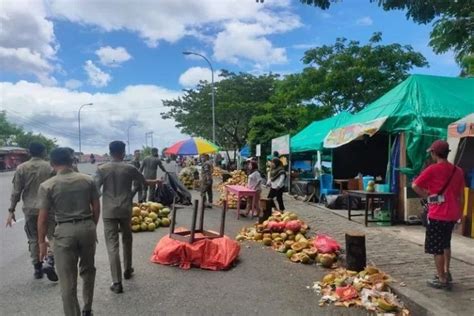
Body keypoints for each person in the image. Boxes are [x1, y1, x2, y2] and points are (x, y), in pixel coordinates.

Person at [37, 147, 101, 316]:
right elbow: (96, 206)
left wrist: (42, 243)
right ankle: (88, 308)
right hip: (87, 227)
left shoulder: (47, 185)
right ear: (72, 161)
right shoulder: (88, 180)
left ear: (52, 164)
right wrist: (91, 226)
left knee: (67, 280)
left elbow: (42, 218)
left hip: (63, 231)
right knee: (88, 270)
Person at [95, 141, 160, 294]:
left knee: (112, 246)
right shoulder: (130, 168)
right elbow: (143, 182)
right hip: (125, 209)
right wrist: (156, 181)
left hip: (109, 211)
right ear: (123, 152)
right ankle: (128, 269)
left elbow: (95, 190)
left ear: (109, 152)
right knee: (127, 239)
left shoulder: (102, 169)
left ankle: (117, 282)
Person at [412, 140, 465, 290]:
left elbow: (415, 185)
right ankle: (447, 272)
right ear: (447, 153)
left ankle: (441, 279)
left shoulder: (432, 169)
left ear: (434, 153)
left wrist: (427, 196)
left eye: (431, 153)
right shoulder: (458, 171)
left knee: (437, 248)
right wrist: (460, 212)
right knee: (446, 243)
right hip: (452, 215)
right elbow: (461, 195)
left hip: (437, 215)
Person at [6, 142, 58, 281]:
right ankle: (50, 261)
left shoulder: (21, 168)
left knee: (33, 238)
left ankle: (37, 268)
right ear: (43, 152)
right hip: (48, 208)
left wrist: (11, 210)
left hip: (30, 209)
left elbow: (16, 191)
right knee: (53, 236)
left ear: (29, 152)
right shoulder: (50, 167)